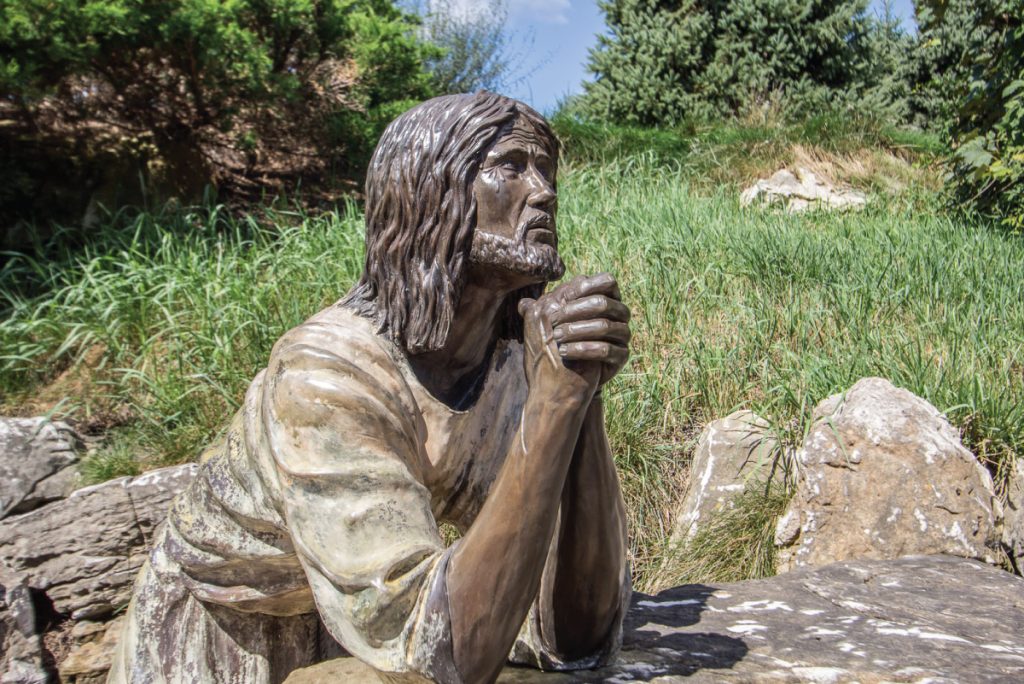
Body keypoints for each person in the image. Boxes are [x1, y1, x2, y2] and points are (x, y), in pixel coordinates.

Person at [108, 92, 632, 684]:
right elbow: (448, 653)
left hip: (350, 624)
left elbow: (578, 638)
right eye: (509, 166)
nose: (543, 191)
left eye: (545, 170)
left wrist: (577, 395)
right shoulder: (325, 375)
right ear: (428, 193)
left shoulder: (513, 365)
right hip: (228, 638)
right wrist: (552, 404)